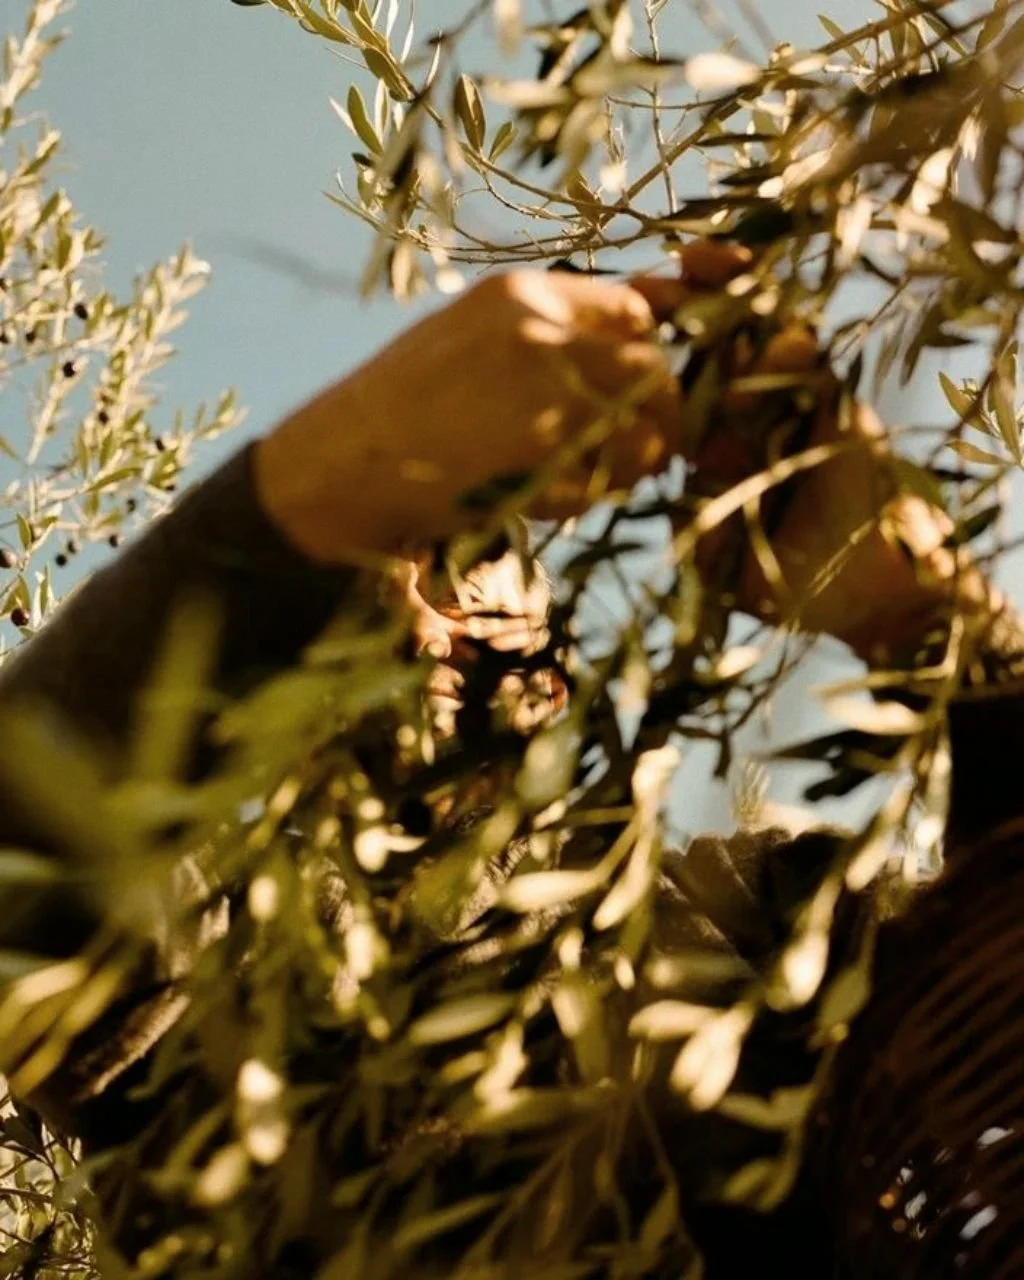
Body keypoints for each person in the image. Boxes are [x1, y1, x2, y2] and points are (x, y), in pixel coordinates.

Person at [0, 241, 1020, 1276]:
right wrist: (336, 469)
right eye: (353, 590)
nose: (402, 610)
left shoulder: (750, 912)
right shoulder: (231, 964)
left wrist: (937, 627)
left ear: (546, 683)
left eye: (449, 566)